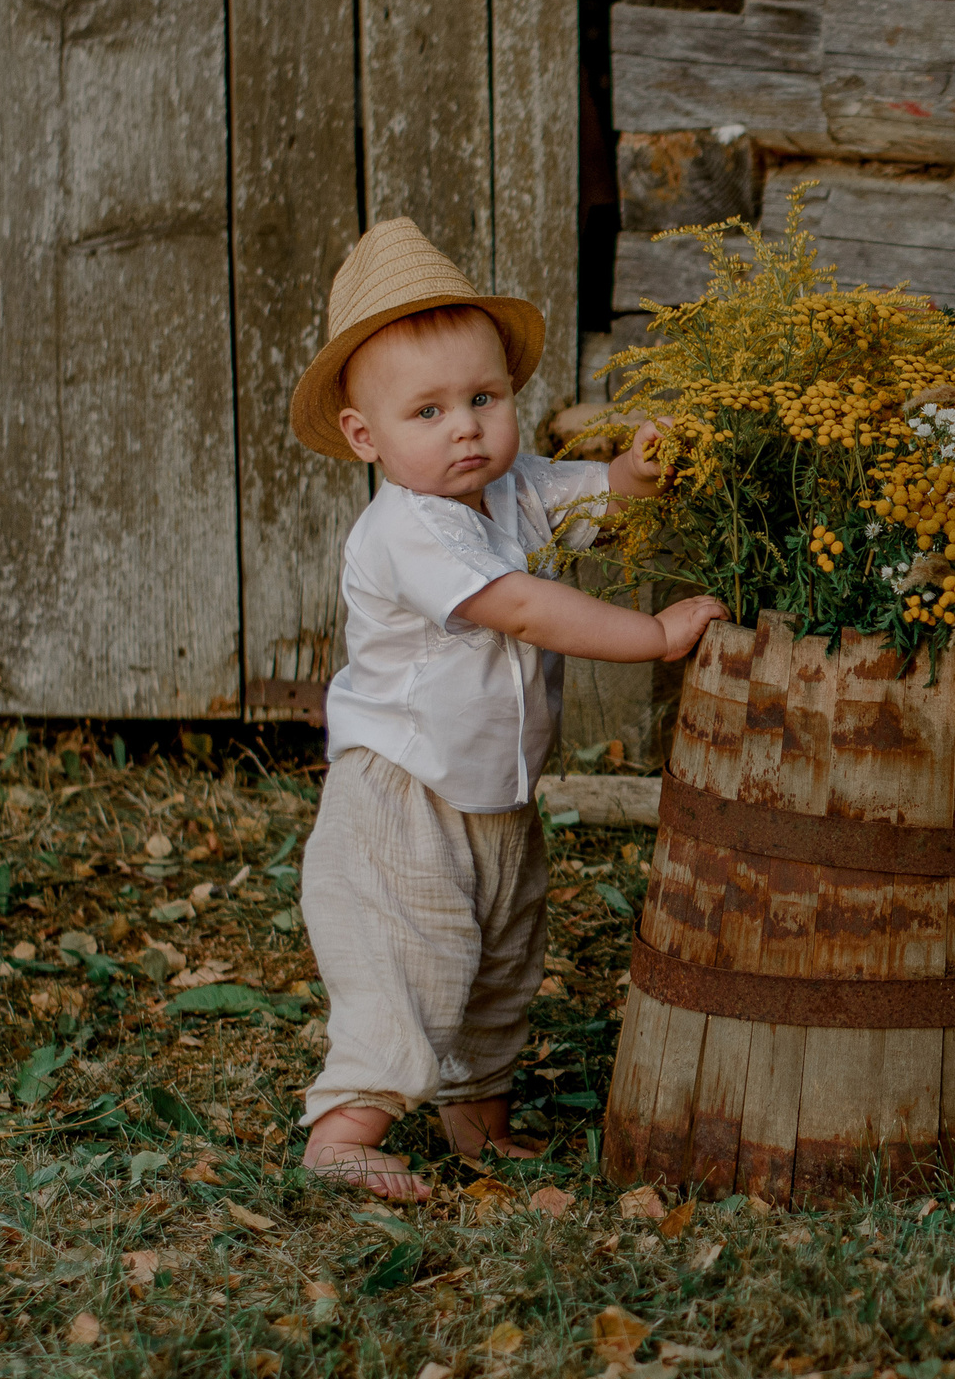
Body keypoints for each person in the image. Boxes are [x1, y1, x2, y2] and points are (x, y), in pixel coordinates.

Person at [284, 217, 722, 1199]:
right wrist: (649, 638)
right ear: (366, 437)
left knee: (501, 959)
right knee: (416, 958)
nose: (466, 428)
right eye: (428, 412)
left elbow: (583, 498)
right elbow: (519, 605)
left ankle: (477, 1119)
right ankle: (345, 1130)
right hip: (401, 794)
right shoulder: (409, 529)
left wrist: (632, 479)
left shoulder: (509, 489)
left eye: (483, 399)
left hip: (491, 790)